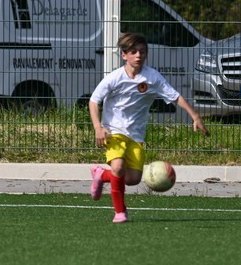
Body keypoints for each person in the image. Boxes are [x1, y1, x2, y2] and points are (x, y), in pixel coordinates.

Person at [89, 32, 209, 223]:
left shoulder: (152, 77)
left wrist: (195, 116)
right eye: (134, 52)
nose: (138, 55)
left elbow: (175, 96)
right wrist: (98, 127)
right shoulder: (114, 77)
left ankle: (101, 174)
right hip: (113, 131)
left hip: (135, 136)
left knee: (133, 179)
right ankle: (120, 212)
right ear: (124, 55)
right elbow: (94, 101)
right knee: (118, 167)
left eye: (142, 52)